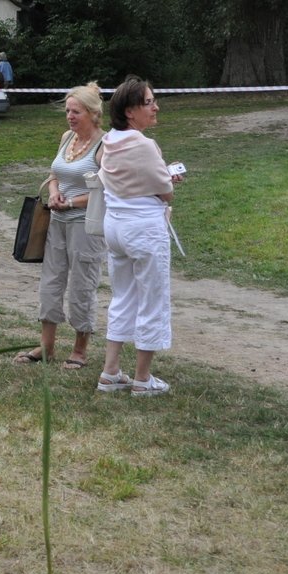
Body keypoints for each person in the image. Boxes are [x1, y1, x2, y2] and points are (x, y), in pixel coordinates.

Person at [95, 76, 184, 396]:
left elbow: (116, 176)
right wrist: (170, 178)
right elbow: (166, 191)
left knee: (122, 297)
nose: (155, 107)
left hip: (116, 226)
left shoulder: (109, 140)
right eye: (149, 102)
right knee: (152, 300)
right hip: (143, 229)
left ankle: (110, 371)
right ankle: (143, 379)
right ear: (130, 111)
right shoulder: (144, 144)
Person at [15, 82, 107, 369]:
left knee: (82, 284)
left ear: (92, 113)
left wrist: (71, 202)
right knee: (51, 282)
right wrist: (54, 193)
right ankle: (46, 346)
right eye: (67, 110)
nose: (69, 116)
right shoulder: (67, 137)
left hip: (86, 225)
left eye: (76, 111)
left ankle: (80, 349)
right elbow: (54, 173)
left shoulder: (105, 145)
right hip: (57, 221)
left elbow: (103, 189)